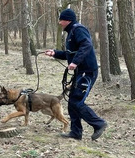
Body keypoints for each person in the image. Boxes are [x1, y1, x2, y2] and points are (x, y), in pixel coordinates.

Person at [44, 9, 107, 140]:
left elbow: (87, 44)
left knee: (77, 101)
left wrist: (75, 62)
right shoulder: (71, 33)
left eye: (61, 20)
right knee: (72, 102)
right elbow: (70, 54)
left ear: (68, 20)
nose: (59, 22)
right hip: (80, 72)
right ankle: (76, 132)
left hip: (88, 72)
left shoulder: (78, 29)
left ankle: (99, 123)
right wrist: (55, 53)